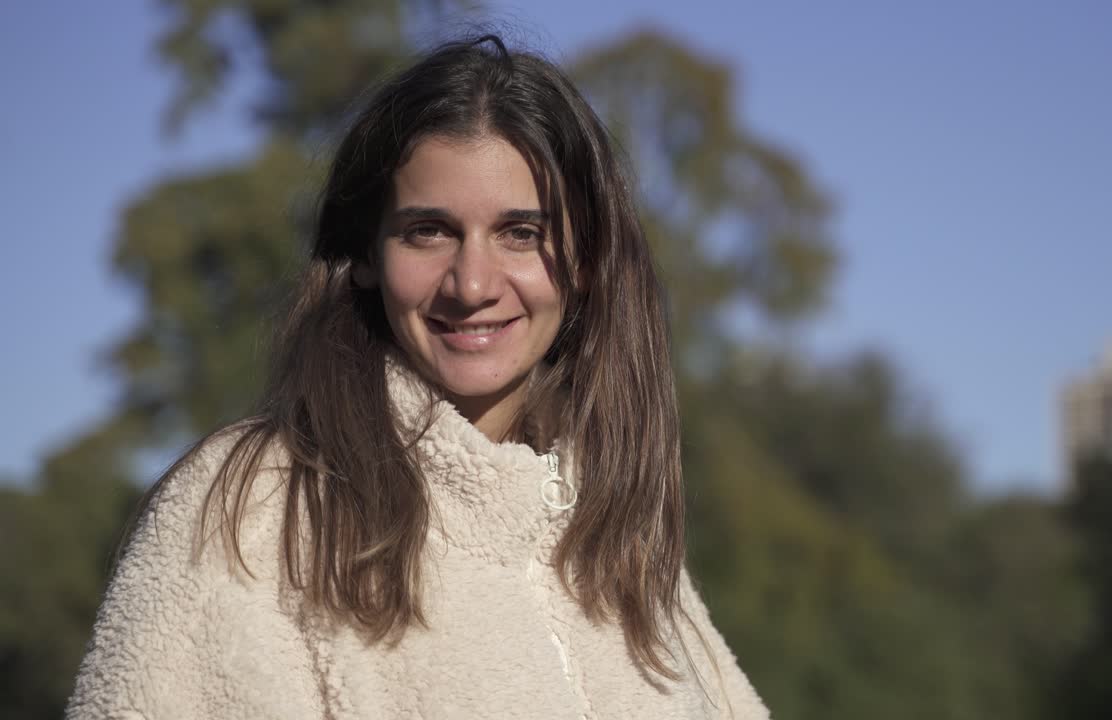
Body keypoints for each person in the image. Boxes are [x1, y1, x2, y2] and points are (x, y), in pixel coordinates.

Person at [67, 34, 769, 719]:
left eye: (521, 233)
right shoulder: (252, 512)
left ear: (586, 262)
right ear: (367, 252)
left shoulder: (624, 543)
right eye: (428, 230)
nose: (472, 283)